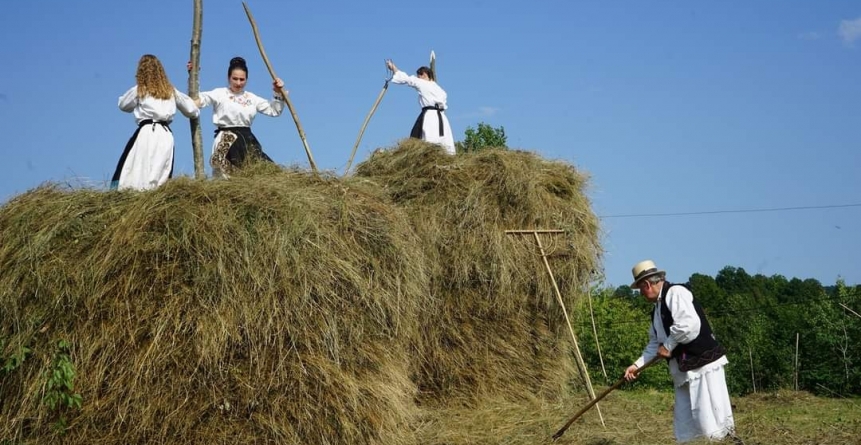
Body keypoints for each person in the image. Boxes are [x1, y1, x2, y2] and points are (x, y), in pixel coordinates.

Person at [623, 260, 740, 443]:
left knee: (708, 417)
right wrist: (636, 366)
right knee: (685, 422)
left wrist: (668, 346)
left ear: (647, 284)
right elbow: (655, 344)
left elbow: (689, 325)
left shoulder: (676, 293)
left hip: (702, 365)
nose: (641, 294)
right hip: (684, 370)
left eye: (640, 289)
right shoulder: (656, 310)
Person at [113, 54, 199, 190]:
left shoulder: (140, 89)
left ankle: (136, 194)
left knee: (138, 168)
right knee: (159, 170)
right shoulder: (170, 90)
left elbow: (123, 105)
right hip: (165, 135)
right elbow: (192, 110)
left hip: (147, 133)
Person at [193, 57, 286, 178]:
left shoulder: (251, 98)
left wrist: (278, 91)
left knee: (266, 173)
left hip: (247, 140)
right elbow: (196, 101)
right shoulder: (219, 93)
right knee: (229, 178)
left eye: (242, 79)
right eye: (235, 79)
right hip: (226, 139)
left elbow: (274, 110)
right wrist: (193, 75)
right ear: (228, 78)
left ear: (246, 79)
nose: (238, 83)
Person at [385, 59, 455, 155]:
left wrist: (393, 67)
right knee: (444, 142)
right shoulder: (441, 90)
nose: (418, 78)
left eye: (419, 76)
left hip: (430, 117)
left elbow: (407, 79)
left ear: (424, 74)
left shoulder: (423, 83)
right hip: (442, 119)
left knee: (425, 139)